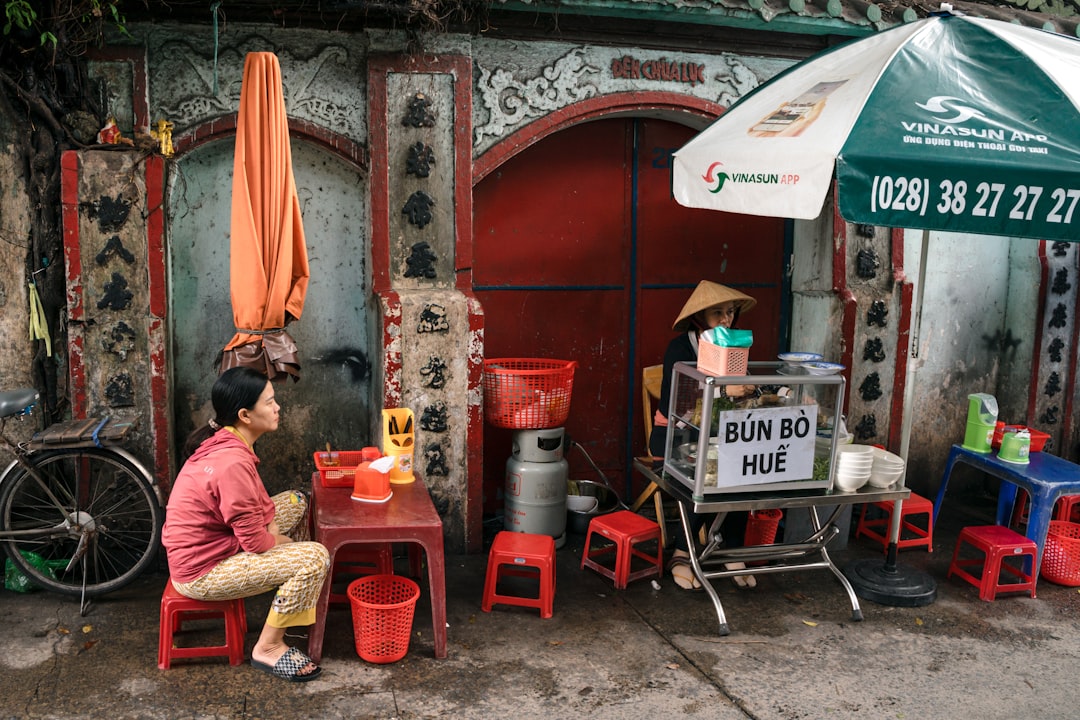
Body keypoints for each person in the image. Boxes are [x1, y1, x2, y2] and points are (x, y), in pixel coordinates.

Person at [162, 367, 331, 682]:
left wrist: (272, 534)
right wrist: (289, 547)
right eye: (269, 403)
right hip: (202, 571)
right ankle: (268, 646)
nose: (277, 407)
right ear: (245, 415)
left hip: (219, 543)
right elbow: (256, 543)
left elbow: (254, 509)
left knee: (296, 501)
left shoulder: (230, 440)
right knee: (314, 557)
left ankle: (295, 600)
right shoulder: (232, 462)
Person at [649, 280, 757, 591]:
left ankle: (729, 548)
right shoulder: (680, 349)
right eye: (718, 313)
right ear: (700, 318)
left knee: (740, 466)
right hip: (673, 438)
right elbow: (676, 405)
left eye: (731, 313)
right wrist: (723, 389)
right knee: (704, 470)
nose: (726, 320)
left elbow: (748, 388)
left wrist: (752, 390)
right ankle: (682, 553)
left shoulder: (735, 348)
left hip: (716, 437)